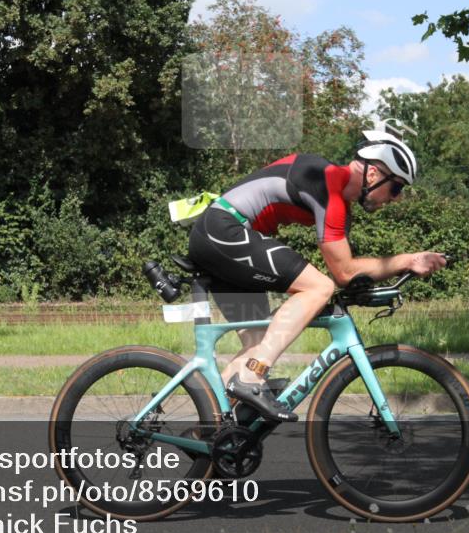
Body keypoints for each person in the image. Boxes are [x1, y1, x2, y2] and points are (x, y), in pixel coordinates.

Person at [187, 124, 448, 422]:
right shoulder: (325, 182)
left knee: (259, 340)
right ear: (374, 174)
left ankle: (211, 429)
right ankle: (252, 376)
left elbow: (349, 272)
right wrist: (408, 260)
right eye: (397, 187)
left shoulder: (336, 200)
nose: (397, 198)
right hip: (223, 230)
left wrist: (377, 278)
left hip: (225, 239)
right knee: (317, 288)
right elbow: (342, 273)